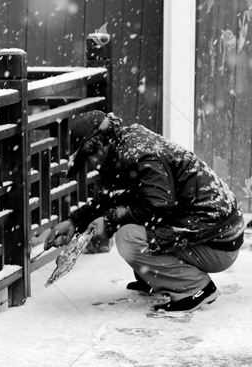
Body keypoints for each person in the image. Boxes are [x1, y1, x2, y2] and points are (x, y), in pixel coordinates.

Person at [44, 110, 245, 314]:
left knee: (129, 237)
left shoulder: (141, 155)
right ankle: (155, 278)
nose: (91, 164)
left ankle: (195, 289)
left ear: (101, 145)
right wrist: (73, 222)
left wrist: (112, 221)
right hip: (209, 230)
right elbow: (108, 198)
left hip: (219, 242)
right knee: (136, 220)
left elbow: (159, 206)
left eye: (90, 157)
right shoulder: (120, 150)